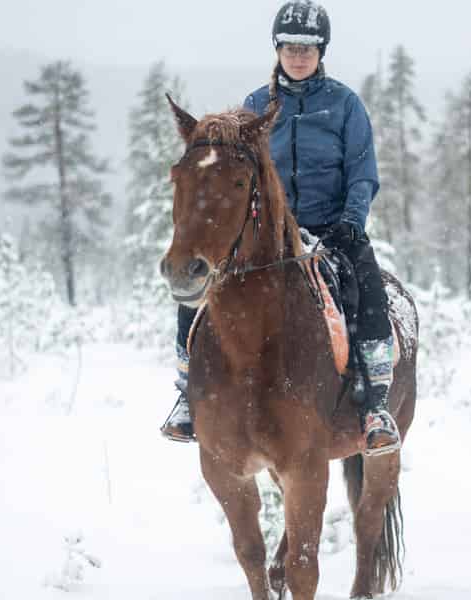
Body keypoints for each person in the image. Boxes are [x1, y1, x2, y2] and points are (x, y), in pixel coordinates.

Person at [160, 0, 402, 455]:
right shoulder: (255, 107)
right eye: (290, 47)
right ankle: (186, 396)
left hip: (333, 227)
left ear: (321, 51)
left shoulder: (345, 105)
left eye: (307, 48)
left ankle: (375, 403)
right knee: (199, 286)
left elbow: (363, 171)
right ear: (277, 49)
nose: (298, 56)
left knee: (367, 288)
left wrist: (351, 222)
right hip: (267, 232)